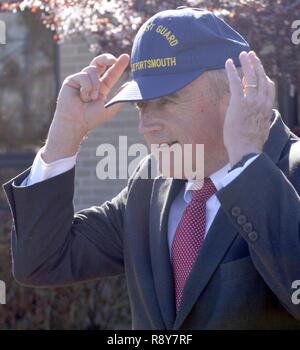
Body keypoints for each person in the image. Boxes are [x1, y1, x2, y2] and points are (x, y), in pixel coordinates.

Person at [3, 7, 300, 330]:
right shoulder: (148, 185)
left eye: (167, 100)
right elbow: (42, 262)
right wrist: (65, 132)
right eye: (142, 105)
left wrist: (247, 165)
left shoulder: (291, 169)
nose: (146, 127)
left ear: (238, 91)